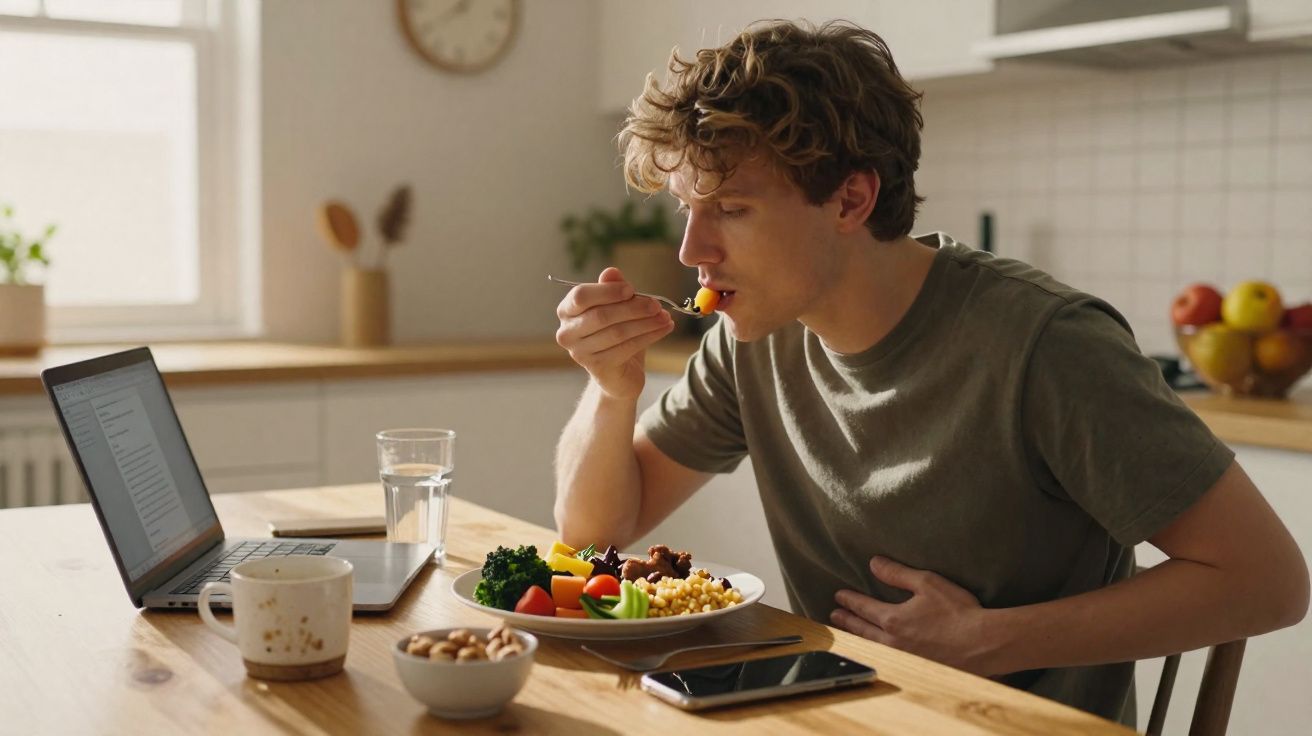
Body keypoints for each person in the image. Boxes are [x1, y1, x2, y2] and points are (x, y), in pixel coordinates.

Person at [551, 20, 1308, 725]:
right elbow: (595, 531)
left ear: (852, 197)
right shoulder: (754, 338)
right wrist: (612, 392)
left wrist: (990, 640)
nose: (692, 251)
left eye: (732, 209)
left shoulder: (1045, 345)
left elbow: (1269, 581)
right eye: (687, 208)